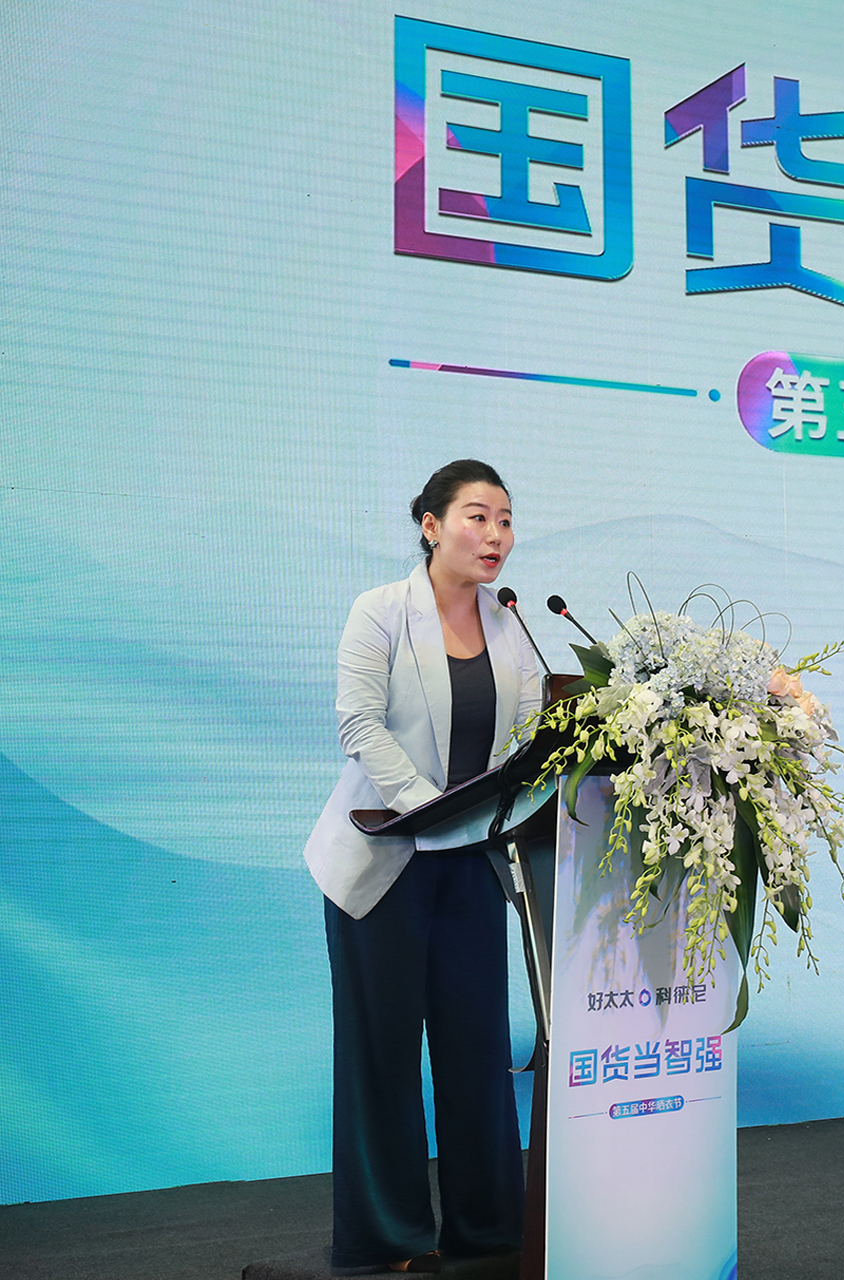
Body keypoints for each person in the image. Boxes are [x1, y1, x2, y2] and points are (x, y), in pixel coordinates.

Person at [302, 459, 542, 1274]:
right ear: (431, 525)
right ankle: (390, 1238)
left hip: (471, 863)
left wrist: (499, 810)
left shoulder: (511, 624)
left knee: (477, 1050)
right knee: (383, 1053)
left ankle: (489, 1229)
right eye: (478, 516)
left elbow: (528, 743)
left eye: (505, 520)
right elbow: (359, 724)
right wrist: (427, 808)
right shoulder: (379, 611)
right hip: (383, 860)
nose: (496, 534)